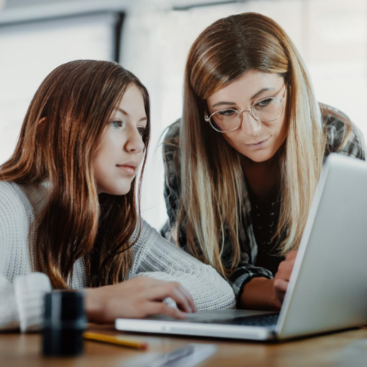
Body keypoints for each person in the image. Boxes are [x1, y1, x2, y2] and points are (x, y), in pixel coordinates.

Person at [0, 60, 235, 332]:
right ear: (48, 131)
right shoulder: (6, 203)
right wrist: (94, 302)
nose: (137, 144)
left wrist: (138, 292)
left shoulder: (114, 221)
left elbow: (217, 289)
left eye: (141, 128)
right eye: (116, 122)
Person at [161, 12, 365, 311]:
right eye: (227, 112)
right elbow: (204, 275)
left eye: (265, 102)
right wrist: (279, 292)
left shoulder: (336, 138)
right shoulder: (182, 146)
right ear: (205, 113)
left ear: (292, 89)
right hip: (222, 320)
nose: (251, 129)